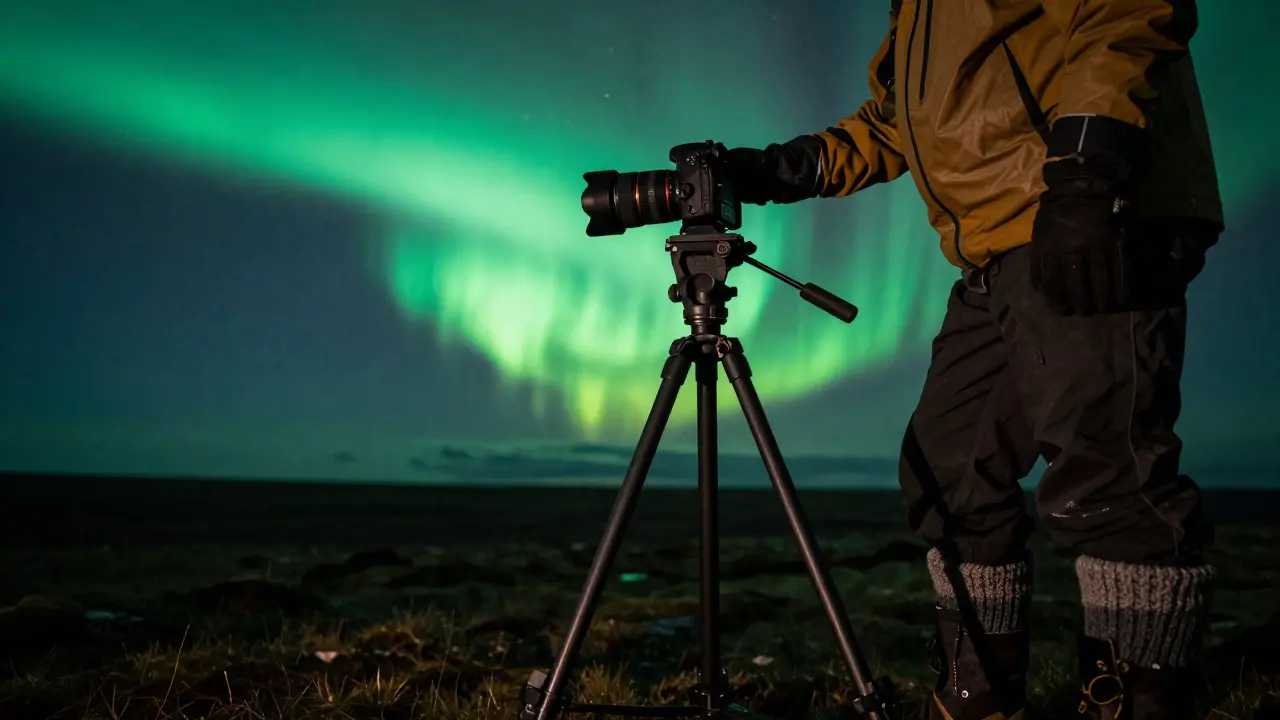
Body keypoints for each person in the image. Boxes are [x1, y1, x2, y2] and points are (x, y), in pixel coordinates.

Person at [708, 1, 1222, 718]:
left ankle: (1136, 699)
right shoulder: (915, 12)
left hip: (1084, 218)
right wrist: (773, 170)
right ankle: (981, 696)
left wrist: (1085, 170)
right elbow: (897, 126)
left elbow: (1126, 12)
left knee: (1107, 476)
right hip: (998, 246)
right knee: (948, 467)